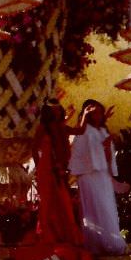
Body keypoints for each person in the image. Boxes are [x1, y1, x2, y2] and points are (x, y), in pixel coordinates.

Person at [69, 99, 128, 255]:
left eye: (101, 113)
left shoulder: (102, 130)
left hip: (102, 175)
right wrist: (101, 146)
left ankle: (111, 243)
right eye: (95, 112)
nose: (99, 116)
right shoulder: (84, 130)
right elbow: (80, 153)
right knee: (95, 210)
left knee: (107, 208)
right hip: (88, 175)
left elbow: (107, 158)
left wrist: (107, 146)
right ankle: (96, 245)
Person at [31, 100, 82, 245]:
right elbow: (34, 149)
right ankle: (46, 234)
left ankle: (64, 234)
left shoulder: (62, 128)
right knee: (47, 201)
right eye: (53, 110)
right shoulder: (43, 127)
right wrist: (38, 166)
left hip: (59, 167)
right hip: (45, 168)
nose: (56, 112)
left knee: (63, 201)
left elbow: (80, 131)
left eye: (59, 110)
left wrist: (84, 115)